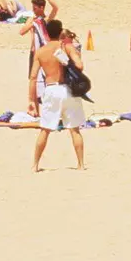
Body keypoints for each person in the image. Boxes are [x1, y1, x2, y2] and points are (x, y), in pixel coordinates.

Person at [30, 19, 87, 171]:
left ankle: (35, 165)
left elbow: (33, 76)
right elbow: (80, 66)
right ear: (61, 31)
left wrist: (31, 99)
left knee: (45, 130)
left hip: (51, 89)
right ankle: (80, 164)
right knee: (74, 129)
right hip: (68, 90)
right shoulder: (67, 47)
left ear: (46, 33)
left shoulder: (41, 52)